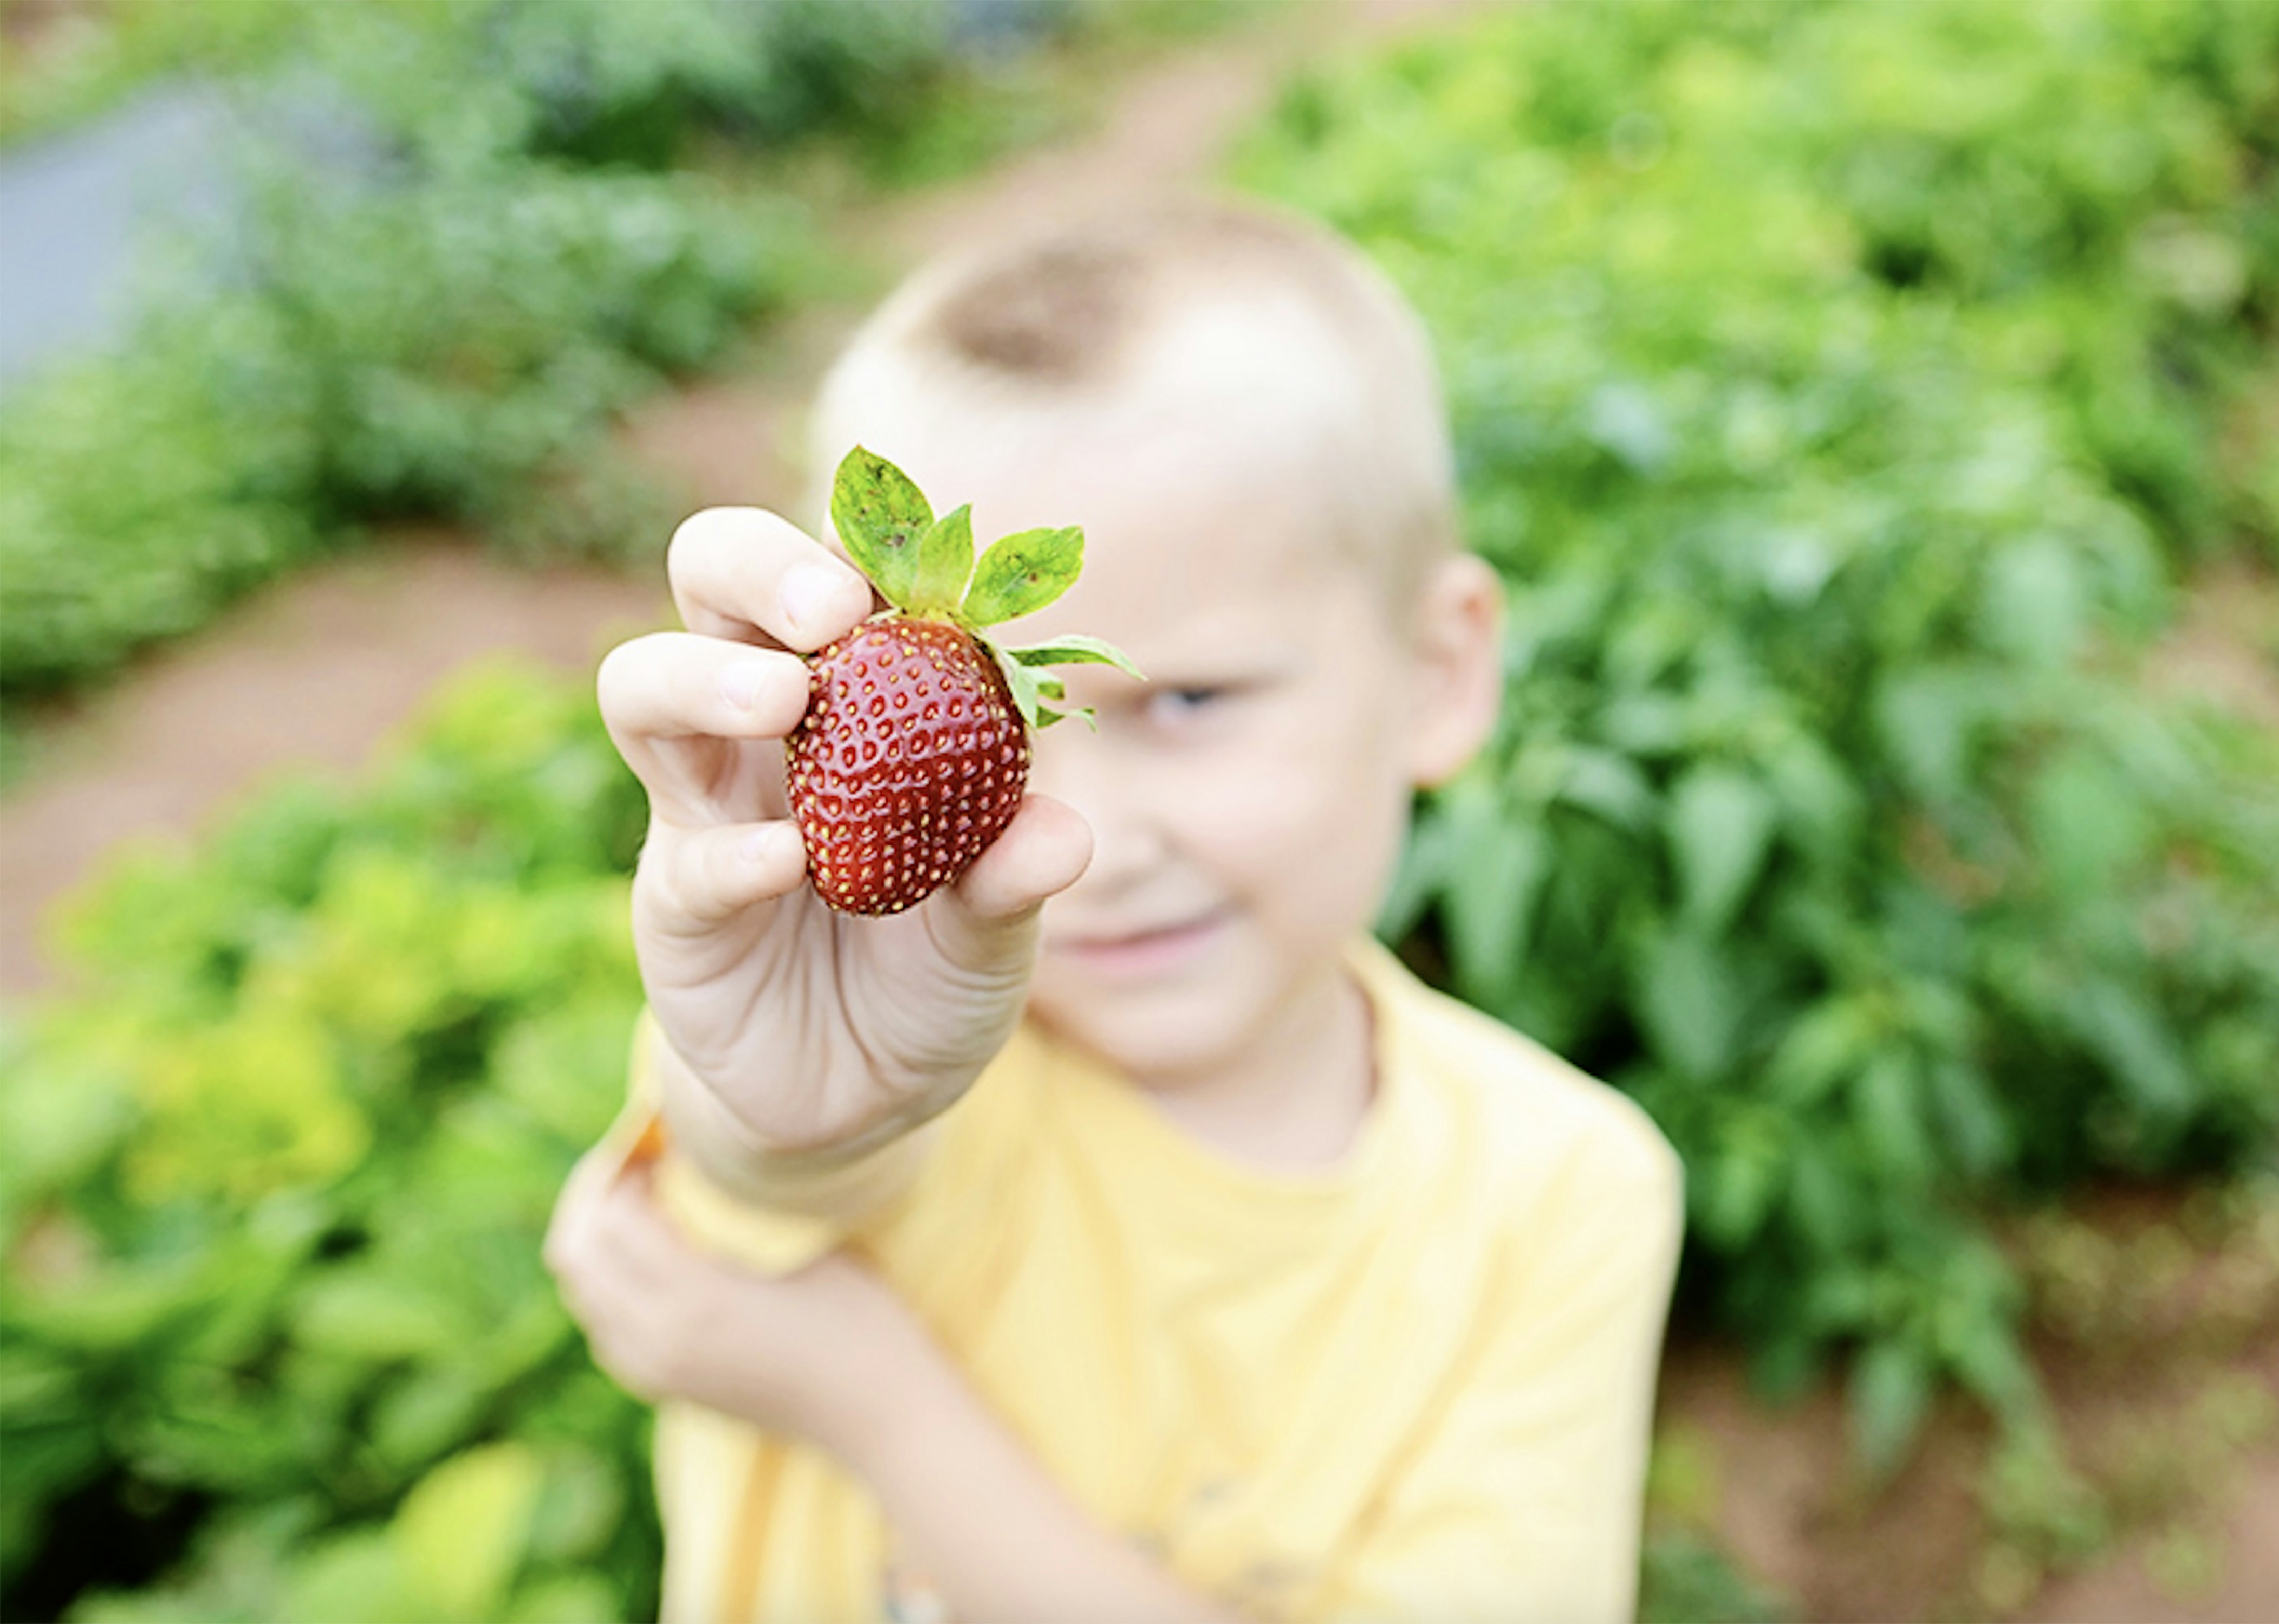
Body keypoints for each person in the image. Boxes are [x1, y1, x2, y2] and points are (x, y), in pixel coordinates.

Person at [543, 197, 1684, 1624]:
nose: (1085, 841)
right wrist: (791, 1111)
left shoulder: (1555, 1195)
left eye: (1193, 702)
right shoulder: (910, 1062)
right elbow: (770, 1154)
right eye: (1012, 712)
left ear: (1440, 671)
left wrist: (872, 1401)